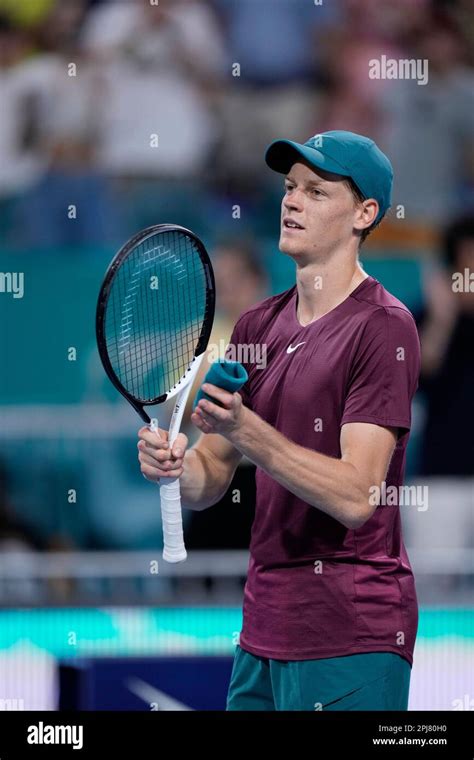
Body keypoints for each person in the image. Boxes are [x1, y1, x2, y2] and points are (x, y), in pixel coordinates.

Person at [137, 130, 421, 711]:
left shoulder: (385, 328)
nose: (292, 201)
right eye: (291, 188)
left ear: (364, 214)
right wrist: (174, 467)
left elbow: (356, 495)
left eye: (317, 192)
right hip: (262, 634)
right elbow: (211, 475)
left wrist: (245, 430)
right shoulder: (254, 329)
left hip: (352, 636)